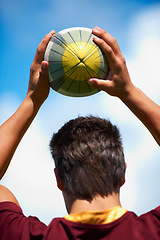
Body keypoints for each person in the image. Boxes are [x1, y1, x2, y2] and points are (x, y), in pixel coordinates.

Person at [0, 26, 160, 240]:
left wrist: (33, 99)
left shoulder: (25, 235)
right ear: (123, 173)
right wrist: (129, 91)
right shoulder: (153, 230)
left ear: (59, 179)